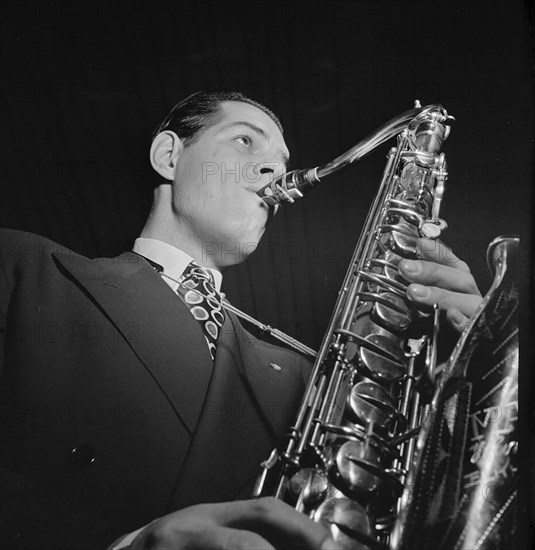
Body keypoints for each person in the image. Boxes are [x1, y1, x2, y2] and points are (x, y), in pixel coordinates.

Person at [0, 92, 482, 550]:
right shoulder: (20, 266)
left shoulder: (309, 377)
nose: (276, 168)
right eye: (245, 140)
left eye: (283, 157)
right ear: (169, 155)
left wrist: (459, 382)